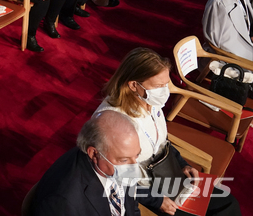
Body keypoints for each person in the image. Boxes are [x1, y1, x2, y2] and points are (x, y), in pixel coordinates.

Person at [95, 47, 242, 216]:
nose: (165, 91)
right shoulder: (113, 124)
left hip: (169, 174)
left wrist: (182, 164)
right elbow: (115, 177)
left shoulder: (150, 101)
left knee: (228, 204)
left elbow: (162, 142)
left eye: (166, 84)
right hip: (148, 190)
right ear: (134, 85)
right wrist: (157, 201)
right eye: (158, 86)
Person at [25, 110, 142, 215]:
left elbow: (131, 206)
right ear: (94, 154)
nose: (134, 167)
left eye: (137, 155)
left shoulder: (119, 157)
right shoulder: (64, 203)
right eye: (124, 160)